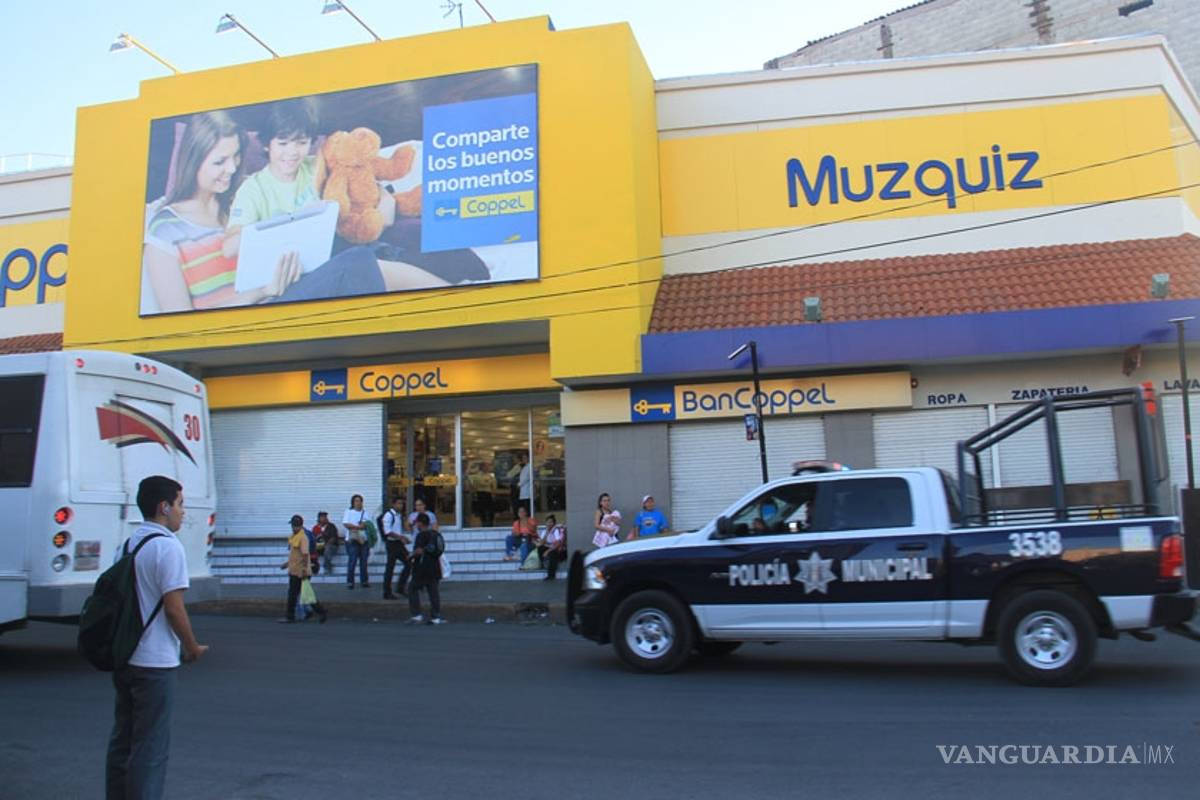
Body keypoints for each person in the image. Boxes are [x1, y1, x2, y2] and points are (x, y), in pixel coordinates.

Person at [106, 475, 208, 800]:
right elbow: (174, 609)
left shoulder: (128, 544)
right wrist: (191, 647)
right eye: (180, 504)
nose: (183, 512)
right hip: (155, 662)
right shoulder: (167, 547)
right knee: (150, 748)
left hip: (125, 657)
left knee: (123, 740)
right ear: (164, 507)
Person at [280, 515, 327, 624]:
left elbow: (305, 555)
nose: (293, 528)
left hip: (300, 571)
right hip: (295, 569)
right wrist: (287, 564)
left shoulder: (303, 537)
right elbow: (295, 555)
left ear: (298, 526)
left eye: (294, 526)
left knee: (294, 594)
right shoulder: (295, 536)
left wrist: (305, 570)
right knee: (305, 594)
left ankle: (290, 616)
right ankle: (321, 612)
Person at [407, 512, 446, 625]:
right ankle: (436, 616)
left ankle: (416, 615)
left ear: (420, 523)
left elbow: (419, 551)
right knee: (433, 592)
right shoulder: (436, 534)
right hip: (435, 566)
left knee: (412, 589)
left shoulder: (421, 535)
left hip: (422, 568)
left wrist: (411, 555)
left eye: (417, 523)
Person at [381, 496, 410, 599]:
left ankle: (400, 587)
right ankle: (387, 591)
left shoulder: (398, 515)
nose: (400, 506)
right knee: (390, 567)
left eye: (402, 504)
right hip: (392, 543)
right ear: (393, 504)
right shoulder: (389, 515)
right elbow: (387, 532)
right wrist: (401, 537)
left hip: (398, 543)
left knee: (409, 563)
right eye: (398, 503)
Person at [342, 494, 370, 589]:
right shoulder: (348, 512)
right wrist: (358, 527)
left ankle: (364, 581)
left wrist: (358, 526)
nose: (358, 503)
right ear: (353, 503)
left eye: (360, 501)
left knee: (364, 561)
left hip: (363, 540)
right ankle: (350, 582)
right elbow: (346, 524)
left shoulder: (365, 513)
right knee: (352, 561)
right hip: (352, 540)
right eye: (356, 501)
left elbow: (367, 524)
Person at [537, 514, 567, 581]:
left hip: (559, 550)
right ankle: (544, 563)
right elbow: (541, 543)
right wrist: (547, 533)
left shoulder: (556, 530)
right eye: (548, 522)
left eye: (551, 522)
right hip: (550, 548)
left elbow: (558, 544)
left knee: (552, 553)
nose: (549, 524)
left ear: (554, 523)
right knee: (540, 548)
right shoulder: (545, 531)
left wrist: (547, 551)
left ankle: (551, 575)